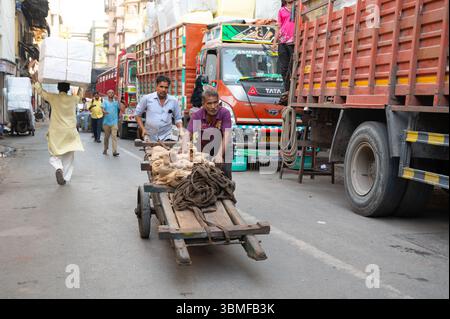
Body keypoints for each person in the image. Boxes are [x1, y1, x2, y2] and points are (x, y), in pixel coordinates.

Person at [34, 81, 84, 186]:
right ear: (68, 89)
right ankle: (65, 177)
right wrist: (82, 85)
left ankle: (58, 168)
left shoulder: (53, 97)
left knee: (54, 153)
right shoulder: (73, 99)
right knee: (69, 155)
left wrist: (37, 82)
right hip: (70, 131)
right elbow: (80, 95)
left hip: (56, 131)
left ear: (58, 88)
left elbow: (41, 92)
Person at [184, 87, 233, 179]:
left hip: (223, 147)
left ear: (219, 101)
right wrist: (184, 150)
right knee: (202, 175)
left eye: (215, 102)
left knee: (224, 175)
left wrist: (219, 155)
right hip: (204, 149)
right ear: (203, 104)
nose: (213, 106)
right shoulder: (198, 115)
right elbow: (188, 134)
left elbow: (227, 135)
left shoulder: (224, 113)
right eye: (209, 103)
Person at [135, 75, 183, 142]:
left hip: (167, 135)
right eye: (161, 87)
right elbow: (137, 115)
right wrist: (143, 129)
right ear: (156, 86)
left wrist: (181, 131)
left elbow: (178, 119)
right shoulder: (147, 99)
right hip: (150, 135)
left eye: (166, 87)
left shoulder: (173, 101)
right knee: (151, 152)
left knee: (168, 152)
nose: (163, 90)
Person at [273, 0, 300, 98]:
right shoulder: (281, 10)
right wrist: (275, 42)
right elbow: (279, 27)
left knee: (293, 66)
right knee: (283, 68)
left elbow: (306, 19)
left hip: (294, 41)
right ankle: (287, 89)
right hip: (283, 41)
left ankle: (294, 88)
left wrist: (298, 10)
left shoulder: (301, 7)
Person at [102, 90, 125, 157]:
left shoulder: (115, 103)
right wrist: (104, 112)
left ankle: (114, 151)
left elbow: (122, 109)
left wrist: (118, 100)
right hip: (106, 123)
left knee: (114, 136)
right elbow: (102, 109)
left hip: (114, 122)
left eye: (112, 93)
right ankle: (105, 149)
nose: (111, 94)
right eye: (109, 92)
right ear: (107, 94)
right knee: (106, 137)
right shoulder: (105, 102)